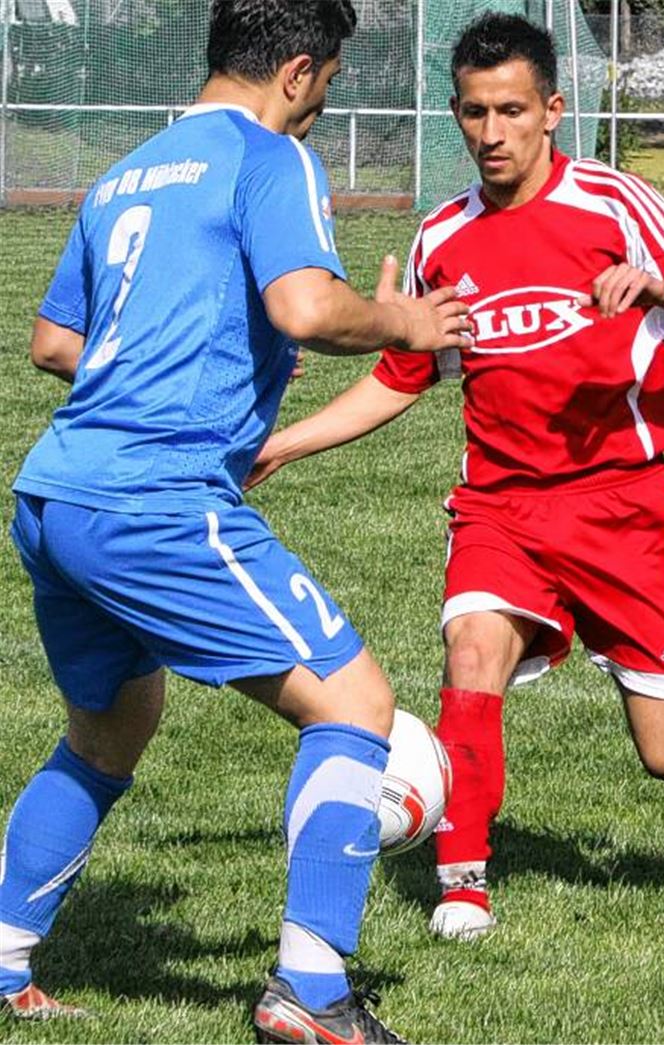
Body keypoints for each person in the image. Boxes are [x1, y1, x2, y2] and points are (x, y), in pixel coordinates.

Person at [0, 1, 469, 1040]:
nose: (320, 109)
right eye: (328, 87)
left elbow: (53, 342)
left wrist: (196, 351)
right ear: (298, 71)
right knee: (354, 703)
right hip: (155, 498)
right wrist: (404, 318)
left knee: (108, 732)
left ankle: (3, 961)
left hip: (56, 494)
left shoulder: (127, 173)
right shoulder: (270, 155)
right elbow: (308, 306)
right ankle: (312, 988)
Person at [248, 12, 664, 943]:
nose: (491, 133)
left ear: (553, 111)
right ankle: (463, 881)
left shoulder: (617, 206)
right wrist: (285, 444)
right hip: (501, 506)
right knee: (471, 652)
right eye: (474, 112)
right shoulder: (442, 236)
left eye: (512, 111)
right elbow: (400, 378)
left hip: (624, 506)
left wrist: (658, 288)